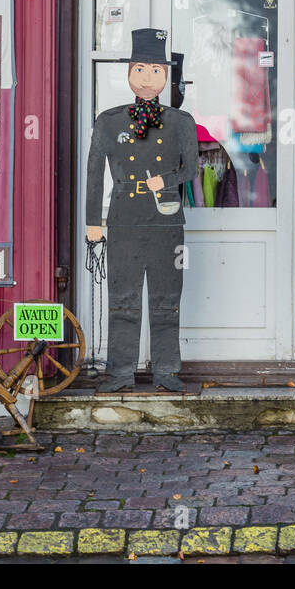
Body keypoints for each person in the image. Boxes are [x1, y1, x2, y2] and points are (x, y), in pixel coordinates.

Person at [85, 28, 198, 392]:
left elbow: (192, 170)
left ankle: (167, 371)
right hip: (124, 220)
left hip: (167, 223)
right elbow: (93, 173)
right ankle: (120, 373)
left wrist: (163, 181)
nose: (147, 78)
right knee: (123, 299)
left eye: (156, 71)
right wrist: (93, 222)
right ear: (129, 72)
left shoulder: (181, 122)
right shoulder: (110, 120)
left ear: (166, 76)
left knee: (167, 299)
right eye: (140, 69)